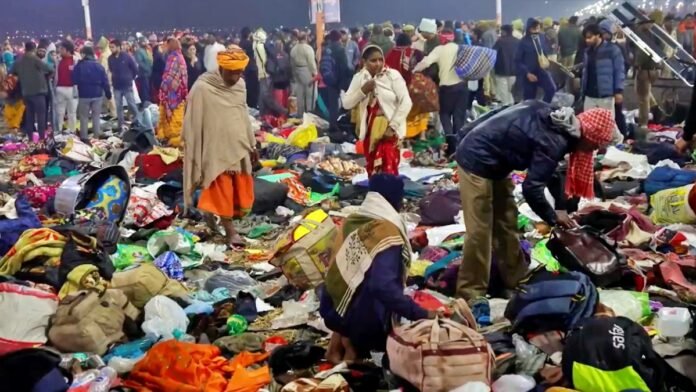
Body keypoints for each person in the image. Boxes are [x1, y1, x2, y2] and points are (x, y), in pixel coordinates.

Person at [455, 103, 616, 310]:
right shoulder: (555, 140)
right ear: (588, 138)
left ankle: (516, 280)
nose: (593, 151)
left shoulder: (559, 118)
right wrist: (551, 218)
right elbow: (532, 188)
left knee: (506, 223)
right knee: (480, 230)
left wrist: (560, 209)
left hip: (497, 162)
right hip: (475, 159)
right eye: (594, 146)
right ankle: (471, 292)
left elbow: (552, 172)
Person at [320, 174, 436, 363]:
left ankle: (338, 347)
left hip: (331, 310)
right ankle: (353, 355)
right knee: (384, 299)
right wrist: (421, 314)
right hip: (359, 323)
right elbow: (383, 287)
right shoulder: (386, 233)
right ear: (395, 200)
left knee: (357, 280)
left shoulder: (354, 219)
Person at [183, 47, 257, 249]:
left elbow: (243, 115)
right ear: (221, 68)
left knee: (238, 189)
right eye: (232, 72)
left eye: (239, 72)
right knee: (222, 186)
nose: (236, 76)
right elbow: (192, 119)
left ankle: (216, 215)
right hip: (215, 147)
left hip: (238, 144)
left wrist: (252, 144)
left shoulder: (240, 86)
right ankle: (230, 230)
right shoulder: (203, 87)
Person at [343, 45, 412, 176]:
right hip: (370, 131)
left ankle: (389, 195)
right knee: (372, 167)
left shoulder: (392, 75)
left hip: (391, 130)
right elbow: (346, 103)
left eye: (381, 59)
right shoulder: (360, 78)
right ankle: (376, 194)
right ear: (364, 62)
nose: (378, 64)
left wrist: (393, 127)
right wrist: (363, 90)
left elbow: (406, 102)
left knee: (388, 167)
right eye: (373, 61)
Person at [414, 28, 467, 135]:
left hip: (447, 88)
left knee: (444, 114)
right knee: (459, 116)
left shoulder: (439, 49)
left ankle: (449, 138)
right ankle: (458, 140)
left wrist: (413, 70)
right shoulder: (461, 48)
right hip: (462, 87)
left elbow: (425, 62)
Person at [581, 23, 625, 124]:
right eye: (586, 38)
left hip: (606, 95)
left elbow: (619, 70)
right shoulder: (587, 52)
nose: (587, 40)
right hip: (589, 94)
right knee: (588, 124)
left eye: (589, 37)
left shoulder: (612, 50)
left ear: (598, 35)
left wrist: (618, 91)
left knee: (607, 125)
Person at [386, 33, 428, 139]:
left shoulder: (390, 54)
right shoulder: (415, 53)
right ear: (409, 43)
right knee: (422, 109)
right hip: (413, 88)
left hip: (394, 89)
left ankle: (401, 135)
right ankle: (422, 136)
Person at [11, 41, 53, 140]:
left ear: (25, 48)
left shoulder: (19, 61)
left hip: (26, 93)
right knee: (41, 117)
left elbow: (12, 73)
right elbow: (48, 68)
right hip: (38, 92)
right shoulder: (34, 59)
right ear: (34, 49)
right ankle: (41, 139)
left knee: (29, 116)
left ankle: (30, 139)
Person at [72, 46, 111, 141]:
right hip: (97, 95)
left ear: (84, 54)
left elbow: (74, 80)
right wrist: (108, 93)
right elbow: (105, 81)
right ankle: (96, 137)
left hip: (84, 95)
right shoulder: (99, 66)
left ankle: (84, 137)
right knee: (96, 117)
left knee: (84, 117)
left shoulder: (79, 66)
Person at [515, 18, 556, 103]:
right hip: (529, 73)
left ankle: (543, 109)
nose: (536, 30)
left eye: (538, 28)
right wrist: (527, 73)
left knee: (551, 89)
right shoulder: (523, 42)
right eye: (534, 28)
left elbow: (546, 50)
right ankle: (532, 114)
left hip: (542, 70)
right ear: (529, 29)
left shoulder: (542, 37)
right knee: (529, 100)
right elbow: (517, 60)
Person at [156, 38, 188, 147]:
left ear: (171, 46)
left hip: (172, 95)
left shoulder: (173, 57)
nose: (164, 47)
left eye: (166, 45)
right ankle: (175, 141)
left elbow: (168, 76)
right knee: (178, 118)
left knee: (171, 119)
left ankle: (172, 141)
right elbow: (182, 78)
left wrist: (164, 88)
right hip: (180, 94)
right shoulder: (181, 57)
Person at [633, 18, 660, 133]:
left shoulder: (644, 36)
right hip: (654, 69)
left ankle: (643, 123)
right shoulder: (655, 35)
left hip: (645, 70)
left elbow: (642, 54)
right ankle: (654, 107)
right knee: (643, 92)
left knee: (642, 99)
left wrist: (636, 64)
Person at [108, 39, 140, 129]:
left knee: (132, 105)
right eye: (110, 47)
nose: (111, 49)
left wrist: (130, 78)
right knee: (119, 107)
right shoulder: (110, 59)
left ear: (118, 47)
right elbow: (111, 70)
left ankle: (138, 123)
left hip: (127, 85)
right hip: (116, 86)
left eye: (113, 47)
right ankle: (120, 126)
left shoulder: (127, 57)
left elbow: (135, 69)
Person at [54, 40, 79, 134]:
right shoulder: (58, 60)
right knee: (60, 112)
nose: (59, 50)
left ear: (67, 50)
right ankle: (59, 130)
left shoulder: (76, 60)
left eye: (61, 49)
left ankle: (72, 131)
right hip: (60, 89)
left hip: (72, 89)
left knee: (72, 112)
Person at [290, 32, 317, 116]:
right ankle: (310, 113)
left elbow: (292, 63)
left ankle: (300, 114)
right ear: (306, 38)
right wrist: (314, 73)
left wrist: (294, 74)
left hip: (297, 71)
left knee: (300, 94)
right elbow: (311, 62)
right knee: (310, 94)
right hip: (306, 71)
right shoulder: (308, 48)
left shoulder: (293, 49)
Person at [493, 25, 520, 106]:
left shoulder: (500, 41)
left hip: (501, 70)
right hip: (514, 70)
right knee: (511, 91)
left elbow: (493, 52)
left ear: (504, 31)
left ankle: (506, 107)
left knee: (503, 91)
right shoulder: (518, 41)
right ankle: (512, 106)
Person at [267, 38, 292, 110]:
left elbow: (270, 69)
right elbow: (289, 67)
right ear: (282, 46)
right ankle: (285, 111)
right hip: (285, 80)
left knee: (277, 98)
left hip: (276, 81)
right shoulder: (286, 55)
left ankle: (279, 112)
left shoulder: (272, 55)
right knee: (285, 97)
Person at [239, 27, 260, 108]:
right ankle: (253, 106)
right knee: (254, 90)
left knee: (247, 89)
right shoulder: (250, 44)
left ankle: (248, 106)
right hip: (252, 69)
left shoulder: (241, 43)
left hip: (245, 69)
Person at [135, 36, 153, 105]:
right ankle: (145, 103)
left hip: (149, 73)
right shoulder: (139, 51)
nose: (146, 43)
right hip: (144, 73)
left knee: (148, 88)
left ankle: (148, 101)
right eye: (144, 41)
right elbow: (140, 62)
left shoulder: (146, 50)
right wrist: (147, 69)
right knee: (145, 88)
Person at [151, 35, 166, 105]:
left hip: (156, 77)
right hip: (159, 77)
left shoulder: (156, 55)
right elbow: (162, 67)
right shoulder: (159, 56)